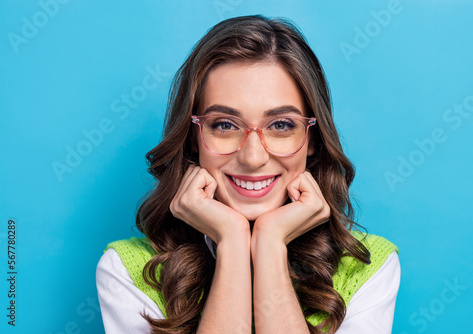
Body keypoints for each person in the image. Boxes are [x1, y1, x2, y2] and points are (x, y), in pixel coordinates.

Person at [96, 14, 400, 334]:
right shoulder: (126, 270)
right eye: (225, 125)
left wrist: (270, 242)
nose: (253, 158)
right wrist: (232, 242)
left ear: (312, 138)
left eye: (281, 125)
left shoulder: (369, 267)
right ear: (192, 137)